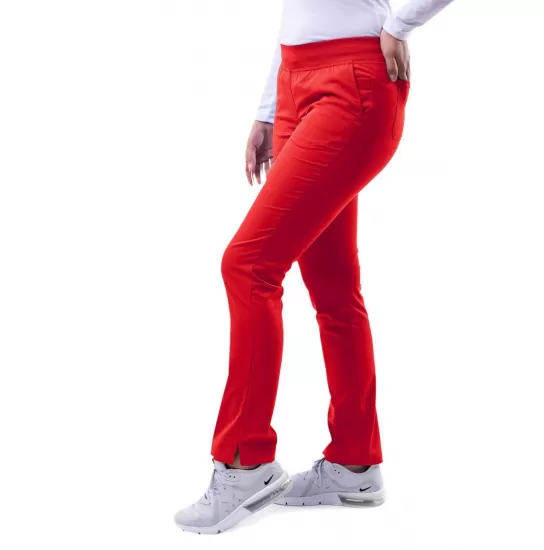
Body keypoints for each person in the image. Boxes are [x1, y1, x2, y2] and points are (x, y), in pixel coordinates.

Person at [175, 0, 455, 535]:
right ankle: (354, 462)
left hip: (354, 82)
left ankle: (244, 462)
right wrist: (268, 108)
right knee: (332, 285)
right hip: (295, 83)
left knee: (248, 265)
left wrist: (402, 24)